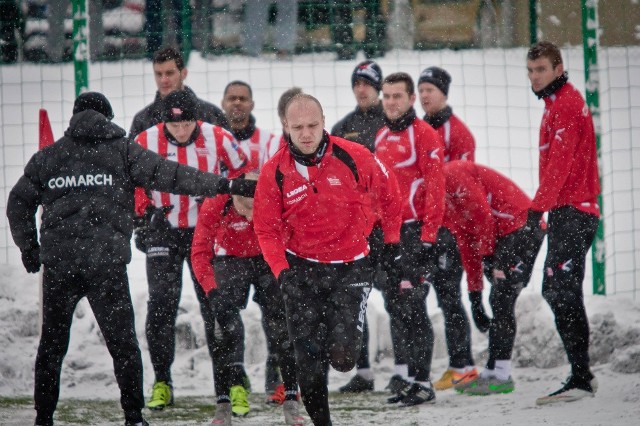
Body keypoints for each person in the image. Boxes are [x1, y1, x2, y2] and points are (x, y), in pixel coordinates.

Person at [5, 92, 256, 426]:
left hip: (60, 264)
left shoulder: (49, 157)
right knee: (123, 346)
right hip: (105, 265)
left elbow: (17, 202)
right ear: (107, 118)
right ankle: (134, 417)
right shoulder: (122, 151)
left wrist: (29, 248)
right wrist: (226, 184)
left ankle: (43, 418)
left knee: (51, 345)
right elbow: (174, 175)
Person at [253, 94, 402, 425]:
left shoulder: (356, 156)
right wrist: (282, 272)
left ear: (324, 123)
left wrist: (390, 242)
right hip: (301, 268)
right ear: (285, 127)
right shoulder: (274, 172)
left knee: (344, 357)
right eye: (298, 127)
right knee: (306, 359)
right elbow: (266, 230)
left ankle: (343, 348)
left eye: (313, 126)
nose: (306, 134)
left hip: (352, 266)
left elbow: (391, 193)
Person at [133, 89, 251, 411]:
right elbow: (133, 179)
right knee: (161, 305)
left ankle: (231, 384)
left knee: (215, 305)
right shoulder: (145, 140)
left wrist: (230, 212)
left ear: (196, 119)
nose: (181, 131)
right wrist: (142, 217)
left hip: (206, 233)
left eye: (186, 124)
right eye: (174, 126)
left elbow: (244, 175)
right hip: (165, 231)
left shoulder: (219, 138)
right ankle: (162, 381)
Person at [191, 173, 305, 425]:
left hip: (267, 256)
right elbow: (199, 252)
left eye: (258, 210)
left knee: (283, 324)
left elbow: (296, 235)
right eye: (246, 210)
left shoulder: (275, 197)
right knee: (224, 326)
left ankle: (291, 398)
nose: (252, 217)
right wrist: (212, 291)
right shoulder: (216, 203)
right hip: (231, 258)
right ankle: (224, 402)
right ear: (233, 198)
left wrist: (289, 274)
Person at [525, 41, 602, 405]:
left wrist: (536, 207)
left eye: (541, 69)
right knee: (558, 291)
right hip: (565, 211)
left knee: (561, 291)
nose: (535, 77)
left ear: (558, 69)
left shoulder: (567, 104)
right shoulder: (556, 104)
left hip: (574, 211)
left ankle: (581, 377)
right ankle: (581, 374)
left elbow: (561, 164)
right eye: (530, 70)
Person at [440, 161, 545, 396]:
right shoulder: (440, 201)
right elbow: (467, 243)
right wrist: (474, 295)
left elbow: (483, 218)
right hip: (504, 232)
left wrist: (487, 256)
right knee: (498, 299)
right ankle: (493, 370)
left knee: (502, 298)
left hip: (522, 226)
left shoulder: (452, 176)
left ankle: (501, 374)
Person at [374, 72, 445, 406]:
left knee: (414, 305)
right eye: (386, 96)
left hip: (415, 233)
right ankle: (405, 377)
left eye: (397, 96)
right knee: (395, 306)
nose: (390, 102)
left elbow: (435, 190)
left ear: (411, 99)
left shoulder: (425, 135)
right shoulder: (381, 136)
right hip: (387, 236)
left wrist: (429, 238)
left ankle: (423, 381)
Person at [220, 79, 288, 398]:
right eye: (232, 98)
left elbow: (281, 186)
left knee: (276, 315)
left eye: (243, 99)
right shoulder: (214, 140)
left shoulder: (271, 142)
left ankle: (275, 375)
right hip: (229, 248)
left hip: (265, 246)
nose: (237, 103)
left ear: (252, 104)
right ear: (223, 103)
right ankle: (235, 377)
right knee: (226, 315)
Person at [417, 66, 478, 390]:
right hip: (427, 227)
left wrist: (449, 226)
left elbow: (460, 183)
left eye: (430, 89)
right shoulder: (417, 129)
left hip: (450, 230)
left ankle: (463, 365)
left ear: (444, 93)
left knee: (450, 297)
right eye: (422, 89)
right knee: (431, 296)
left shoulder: (459, 133)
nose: (425, 95)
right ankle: (439, 366)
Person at [330, 60, 386, 393]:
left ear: (378, 88)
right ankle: (362, 372)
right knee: (352, 299)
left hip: (386, 226)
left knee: (399, 297)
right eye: (356, 83)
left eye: (367, 83)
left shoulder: (390, 124)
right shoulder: (342, 127)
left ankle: (408, 371)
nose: (361, 89)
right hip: (354, 229)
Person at [129, 46, 227, 139]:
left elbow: (229, 150)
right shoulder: (142, 120)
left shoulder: (211, 114)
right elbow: (131, 155)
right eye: (158, 74)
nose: (163, 80)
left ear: (184, 74)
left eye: (169, 73)